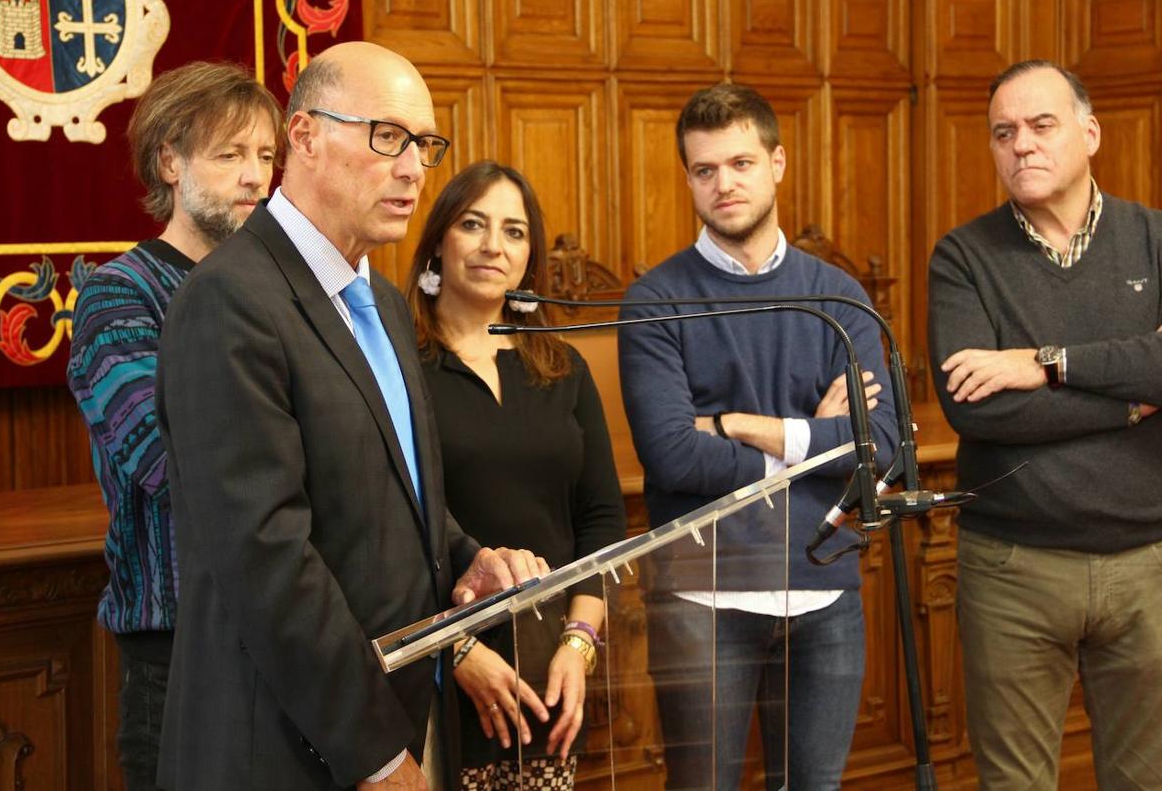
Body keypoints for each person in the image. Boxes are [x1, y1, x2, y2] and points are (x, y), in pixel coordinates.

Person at [153, 43, 548, 791]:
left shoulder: (388, 305)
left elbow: (391, 491)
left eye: (424, 145)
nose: (412, 169)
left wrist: (467, 559)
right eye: (387, 137)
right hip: (286, 746)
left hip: (405, 711)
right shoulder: (229, 299)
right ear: (303, 137)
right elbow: (267, 560)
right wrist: (375, 752)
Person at [618, 83, 897, 791]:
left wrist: (738, 425)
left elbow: (883, 449)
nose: (724, 184)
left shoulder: (838, 299)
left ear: (777, 162)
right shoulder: (653, 300)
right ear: (687, 178)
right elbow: (673, 454)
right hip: (702, 598)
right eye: (705, 170)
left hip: (824, 590)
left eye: (740, 164)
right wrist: (816, 436)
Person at [928, 60, 1162, 790]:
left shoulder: (1155, 238)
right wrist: (1127, 400)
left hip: (1146, 565)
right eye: (1004, 133)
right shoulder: (962, 257)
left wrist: (1045, 361)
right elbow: (977, 405)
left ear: (1089, 134)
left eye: (1040, 125)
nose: (1021, 145)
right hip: (1013, 568)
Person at [66, 61, 283, 791]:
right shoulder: (117, 297)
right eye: (230, 155)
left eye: (265, 156)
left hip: (281, 637)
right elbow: (168, 463)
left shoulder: (278, 291)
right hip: (178, 650)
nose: (256, 177)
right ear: (170, 160)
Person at [405, 161, 627, 790]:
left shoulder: (564, 368)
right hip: (432, 662)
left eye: (513, 231)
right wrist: (456, 650)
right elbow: (387, 523)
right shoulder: (398, 366)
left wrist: (578, 643)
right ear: (438, 243)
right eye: (472, 225)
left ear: (530, 257)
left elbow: (602, 519)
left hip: (549, 663)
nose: (492, 246)